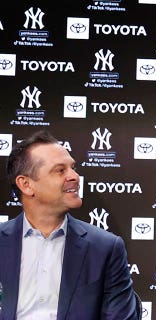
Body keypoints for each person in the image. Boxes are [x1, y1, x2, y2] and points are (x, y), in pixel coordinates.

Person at [0, 130, 139, 320]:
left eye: (73, 168)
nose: (74, 176)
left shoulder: (105, 248)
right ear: (26, 184)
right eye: (60, 170)